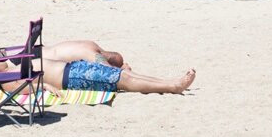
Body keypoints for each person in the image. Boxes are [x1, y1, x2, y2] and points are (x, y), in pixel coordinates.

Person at [42, 57, 195, 95]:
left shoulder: (18, 66)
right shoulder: (16, 74)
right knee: (122, 79)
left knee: (122, 74)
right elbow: (18, 87)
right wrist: (43, 85)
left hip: (74, 68)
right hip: (72, 77)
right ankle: (173, 87)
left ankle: (170, 82)